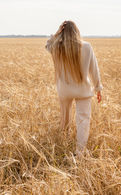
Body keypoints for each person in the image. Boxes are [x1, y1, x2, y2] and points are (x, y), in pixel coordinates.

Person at [45, 20, 103, 155]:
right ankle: (80, 150)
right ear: (77, 31)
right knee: (83, 119)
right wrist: (98, 87)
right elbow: (94, 69)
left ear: (62, 32)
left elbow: (47, 44)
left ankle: (63, 143)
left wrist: (56, 33)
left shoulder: (56, 47)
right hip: (83, 90)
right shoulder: (87, 47)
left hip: (64, 90)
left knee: (65, 117)